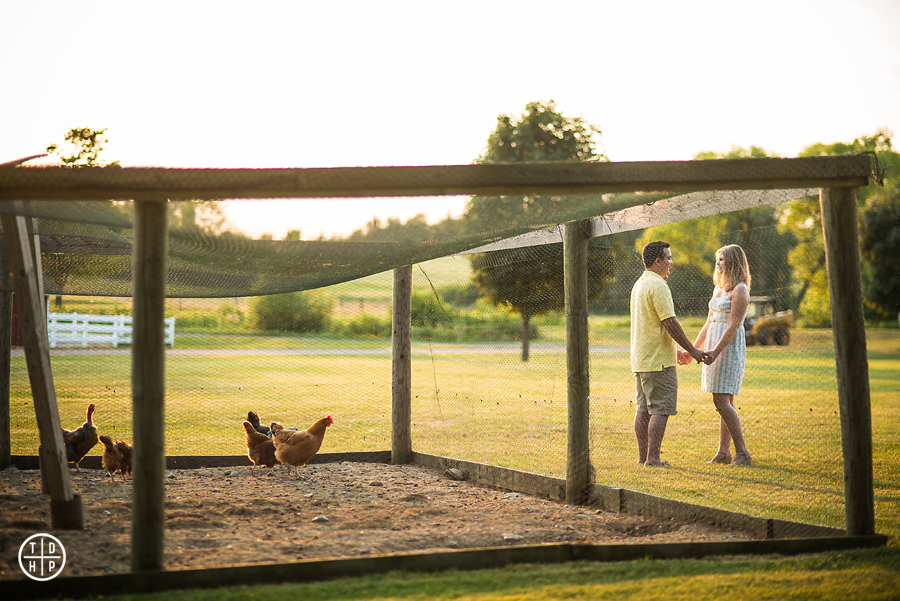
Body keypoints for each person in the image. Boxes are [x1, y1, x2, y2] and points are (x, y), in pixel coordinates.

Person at [631, 241, 708, 467]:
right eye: (668, 258)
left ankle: (643, 458)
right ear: (658, 261)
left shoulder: (639, 284)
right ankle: (653, 459)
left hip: (642, 360)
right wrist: (693, 350)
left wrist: (675, 351)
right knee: (660, 410)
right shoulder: (659, 285)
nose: (671, 262)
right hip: (659, 364)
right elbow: (670, 322)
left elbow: (651, 326)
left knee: (643, 410)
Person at [679, 244, 752, 466]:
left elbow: (734, 325)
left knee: (721, 400)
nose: (718, 263)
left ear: (733, 262)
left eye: (722, 259)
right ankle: (724, 452)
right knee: (724, 401)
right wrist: (693, 350)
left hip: (728, 348)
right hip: (712, 344)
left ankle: (743, 453)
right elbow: (708, 323)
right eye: (717, 259)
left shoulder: (740, 289)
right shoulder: (718, 288)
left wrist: (715, 351)